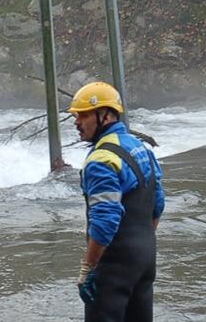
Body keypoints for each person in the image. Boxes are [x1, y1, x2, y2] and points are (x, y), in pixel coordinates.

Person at [68, 81, 165, 321]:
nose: (77, 122)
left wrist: (88, 268)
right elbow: (158, 203)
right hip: (145, 258)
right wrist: (141, 244)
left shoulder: (101, 160)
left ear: (106, 116)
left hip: (114, 264)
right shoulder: (141, 148)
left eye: (84, 115)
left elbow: (105, 219)